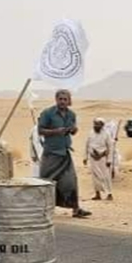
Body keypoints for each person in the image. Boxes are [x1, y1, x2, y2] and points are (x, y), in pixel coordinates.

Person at [38, 89, 91, 218]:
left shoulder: (71, 114)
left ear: (69, 101)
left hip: (64, 153)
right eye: (60, 99)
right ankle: (43, 209)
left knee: (71, 181)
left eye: (65, 99)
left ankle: (76, 209)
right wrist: (55, 131)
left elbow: (73, 131)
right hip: (51, 153)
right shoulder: (48, 113)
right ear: (56, 99)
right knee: (47, 182)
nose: (62, 101)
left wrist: (73, 130)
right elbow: (40, 130)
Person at [84, 118, 115, 201]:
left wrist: (109, 160)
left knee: (105, 176)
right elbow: (87, 145)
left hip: (103, 158)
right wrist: (85, 157)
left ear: (102, 125)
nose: (96, 126)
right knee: (95, 177)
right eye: (95, 124)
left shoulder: (106, 134)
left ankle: (109, 194)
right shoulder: (91, 133)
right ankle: (97, 194)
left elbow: (110, 147)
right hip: (93, 158)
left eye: (98, 124)